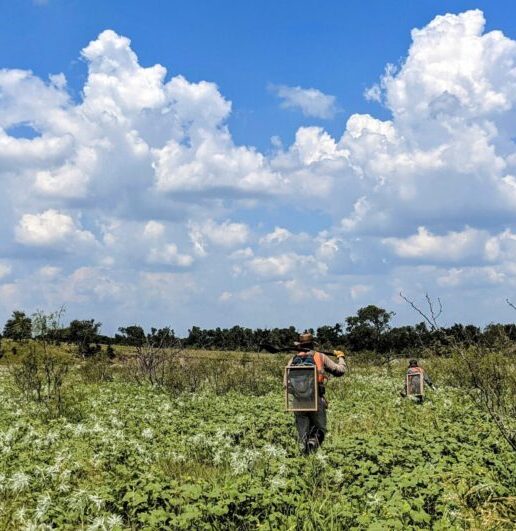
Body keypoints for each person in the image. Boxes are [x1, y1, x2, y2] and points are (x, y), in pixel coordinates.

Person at [285, 332, 347, 454]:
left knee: (302, 435)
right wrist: (341, 357)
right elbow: (340, 371)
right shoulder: (320, 357)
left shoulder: (292, 360)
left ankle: (305, 456)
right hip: (316, 400)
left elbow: (285, 385)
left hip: (298, 402)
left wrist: (301, 392)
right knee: (320, 430)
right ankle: (312, 445)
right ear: (313, 344)